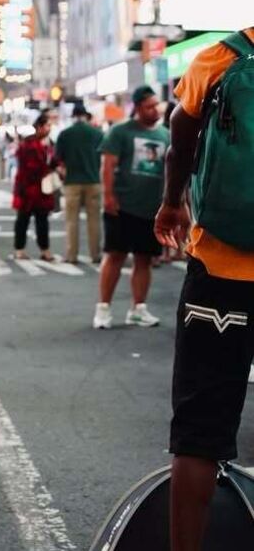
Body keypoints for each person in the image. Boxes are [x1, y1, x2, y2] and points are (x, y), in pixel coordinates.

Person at [154, 27, 254, 551]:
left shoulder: (218, 58)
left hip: (220, 272)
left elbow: (180, 140)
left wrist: (172, 203)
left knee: (198, 434)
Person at [93, 85, 170, 330]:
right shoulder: (120, 132)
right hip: (122, 206)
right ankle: (103, 308)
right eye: (149, 106)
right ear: (137, 108)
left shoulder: (165, 135)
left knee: (144, 259)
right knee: (115, 255)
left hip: (152, 208)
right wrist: (108, 196)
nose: (154, 110)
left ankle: (138, 309)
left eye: (156, 105)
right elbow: (107, 165)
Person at [55, 103, 103, 264]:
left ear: (73, 117)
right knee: (94, 220)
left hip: (72, 181)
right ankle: (95, 254)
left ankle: (71, 255)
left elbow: (57, 159)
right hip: (93, 180)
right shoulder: (97, 134)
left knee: (71, 220)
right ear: (86, 116)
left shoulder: (65, 134)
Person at [12, 112, 57, 261]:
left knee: (42, 221)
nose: (49, 128)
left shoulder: (49, 144)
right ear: (39, 127)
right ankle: (20, 249)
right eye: (47, 125)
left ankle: (44, 249)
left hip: (42, 189)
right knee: (23, 220)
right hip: (28, 188)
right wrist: (48, 168)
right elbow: (31, 166)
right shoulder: (29, 144)